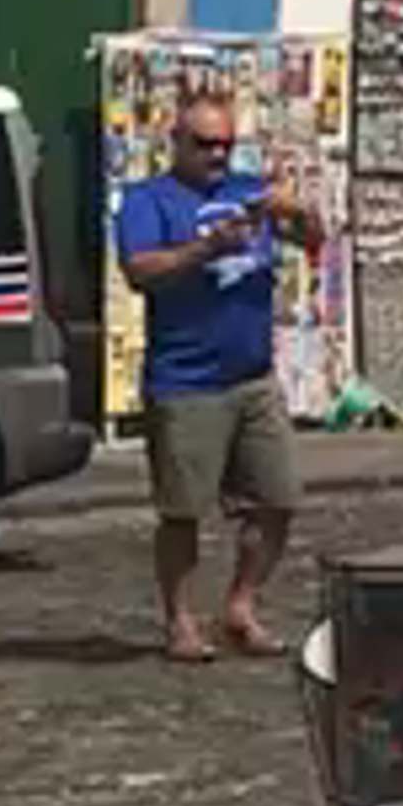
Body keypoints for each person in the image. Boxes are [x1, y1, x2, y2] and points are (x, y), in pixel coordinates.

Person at [116, 67, 312, 663]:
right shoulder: (149, 201)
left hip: (252, 377)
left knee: (279, 498)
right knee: (183, 513)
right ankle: (180, 621)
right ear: (175, 142)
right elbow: (139, 270)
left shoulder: (250, 191)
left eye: (226, 144)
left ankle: (241, 605)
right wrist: (208, 247)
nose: (217, 156)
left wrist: (295, 213)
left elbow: (316, 239)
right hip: (186, 382)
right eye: (204, 144)